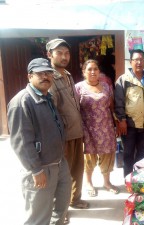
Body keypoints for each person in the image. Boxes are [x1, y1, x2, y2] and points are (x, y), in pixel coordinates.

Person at [7, 58, 71, 225]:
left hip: (58, 163)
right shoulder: (22, 102)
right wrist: (36, 170)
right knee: (39, 216)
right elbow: (21, 142)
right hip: (41, 168)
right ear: (30, 76)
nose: (45, 76)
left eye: (48, 73)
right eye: (40, 73)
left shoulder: (48, 97)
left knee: (62, 207)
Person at [46, 38, 89, 210]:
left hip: (76, 132)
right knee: (62, 175)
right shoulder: (49, 77)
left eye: (66, 53)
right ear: (49, 55)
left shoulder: (68, 75)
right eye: (59, 53)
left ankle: (75, 200)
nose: (64, 57)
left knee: (77, 171)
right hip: (63, 136)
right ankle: (59, 211)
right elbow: (51, 111)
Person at [75, 59, 119, 196]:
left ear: (99, 71)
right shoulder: (78, 88)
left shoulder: (106, 86)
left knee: (108, 155)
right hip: (88, 129)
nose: (93, 72)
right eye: (89, 69)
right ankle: (89, 183)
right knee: (89, 158)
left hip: (106, 128)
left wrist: (116, 122)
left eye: (95, 69)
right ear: (84, 72)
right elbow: (75, 109)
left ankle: (106, 182)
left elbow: (111, 106)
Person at [114, 49, 144, 177]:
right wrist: (121, 121)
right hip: (129, 125)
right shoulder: (123, 80)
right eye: (136, 59)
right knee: (128, 155)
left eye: (141, 59)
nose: (139, 62)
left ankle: (140, 180)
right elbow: (119, 102)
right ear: (131, 61)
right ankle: (129, 180)